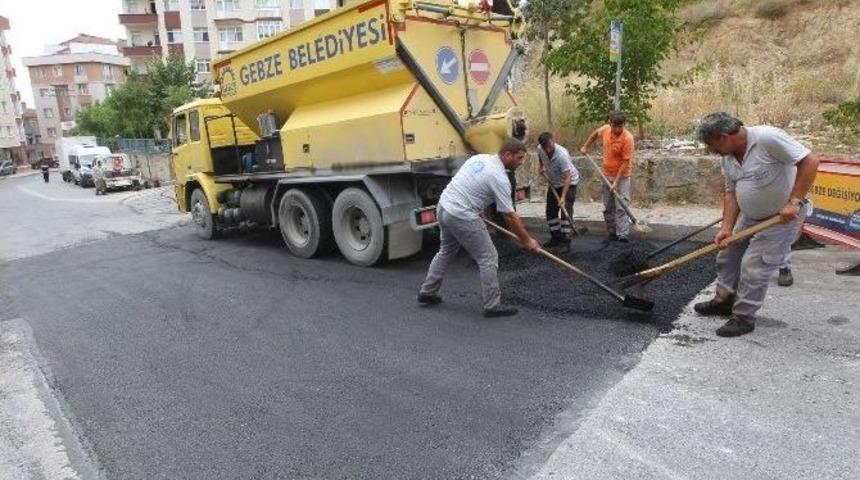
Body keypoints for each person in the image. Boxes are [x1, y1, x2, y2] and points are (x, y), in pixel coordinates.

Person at [693, 112, 818, 337]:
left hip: (781, 218)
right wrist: (726, 228)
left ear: (723, 137)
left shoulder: (767, 138)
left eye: (712, 146)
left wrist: (795, 201)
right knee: (727, 255)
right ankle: (724, 301)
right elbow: (731, 193)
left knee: (754, 265)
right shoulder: (728, 156)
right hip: (749, 217)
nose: (711, 151)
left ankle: (743, 318)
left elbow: (810, 161)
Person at [418, 138, 541, 318]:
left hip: (444, 207)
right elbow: (509, 216)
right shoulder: (499, 177)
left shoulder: (479, 159)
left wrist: (478, 209)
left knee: (445, 251)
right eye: (519, 158)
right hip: (461, 214)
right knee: (488, 257)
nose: (522, 163)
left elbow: (469, 185)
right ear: (507, 155)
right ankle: (492, 305)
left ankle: (427, 292)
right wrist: (527, 240)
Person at [580, 111, 635, 242]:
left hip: (622, 177)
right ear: (610, 124)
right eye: (614, 126)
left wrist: (616, 182)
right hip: (606, 174)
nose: (617, 129)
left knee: (621, 206)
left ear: (624, 125)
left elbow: (625, 162)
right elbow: (594, 134)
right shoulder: (605, 130)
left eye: (620, 126)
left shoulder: (628, 138)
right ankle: (612, 234)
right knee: (608, 206)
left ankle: (622, 235)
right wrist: (586, 146)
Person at [538, 132, 580, 249]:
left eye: (551, 146)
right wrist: (541, 166)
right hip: (554, 183)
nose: (549, 149)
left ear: (553, 141)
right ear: (542, 146)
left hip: (569, 183)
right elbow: (540, 156)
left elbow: (568, 177)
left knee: (565, 210)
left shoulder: (562, 155)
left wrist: (562, 198)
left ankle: (565, 241)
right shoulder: (540, 149)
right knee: (550, 211)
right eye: (546, 147)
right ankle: (556, 238)